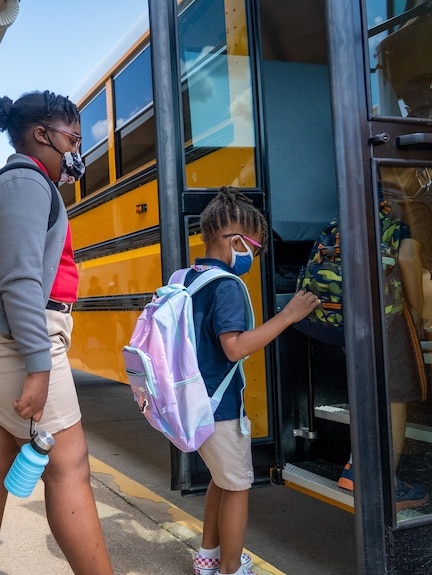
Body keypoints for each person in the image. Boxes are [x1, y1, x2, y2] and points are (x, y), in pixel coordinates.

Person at [0, 91, 113, 575]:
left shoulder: (22, 183)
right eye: (73, 138)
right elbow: (21, 280)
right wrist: (39, 365)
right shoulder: (26, 183)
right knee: (70, 465)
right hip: (14, 339)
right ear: (41, 135)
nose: (77, 151)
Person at [187, 187, 319, 575]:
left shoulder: (190, 277)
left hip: (197, 402)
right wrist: (288, 315)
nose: (254, 256)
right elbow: (234, 348)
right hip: (221, 408)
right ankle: (231, 568)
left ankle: (209, 558)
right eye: (255, 249)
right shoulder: (226, 285)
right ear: (236, 242)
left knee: (220, 480)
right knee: (239, 486)